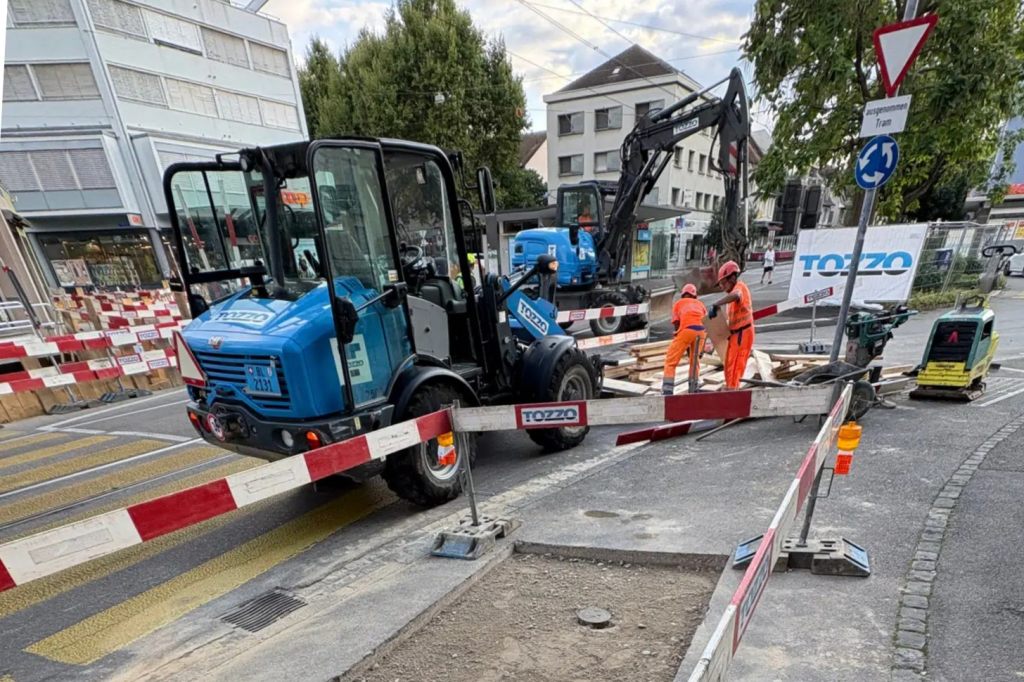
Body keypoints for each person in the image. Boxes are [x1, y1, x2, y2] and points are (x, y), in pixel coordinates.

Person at [709, 260, 754, 390]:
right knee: (729, 364)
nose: (722, 287)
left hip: (743, 334)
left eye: (723, 283)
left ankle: (732, 392)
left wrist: (717, 303)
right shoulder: (731, 298)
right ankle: (730, 389)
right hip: (735, 334)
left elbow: (736, 295)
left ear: (732, 277)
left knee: (736, 366)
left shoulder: (739, 287)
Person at [662, 283, 707, 395]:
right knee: (694, 361)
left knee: (670, 361)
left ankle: (667, 390)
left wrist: (679, 339)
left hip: (686, 330)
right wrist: (701, 347)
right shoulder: (700, 304)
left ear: (683, 295)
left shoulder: (679, 303)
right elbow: (706, 322)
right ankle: (693, 388)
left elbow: (677, 324)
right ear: (694, 296)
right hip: (702, 331)